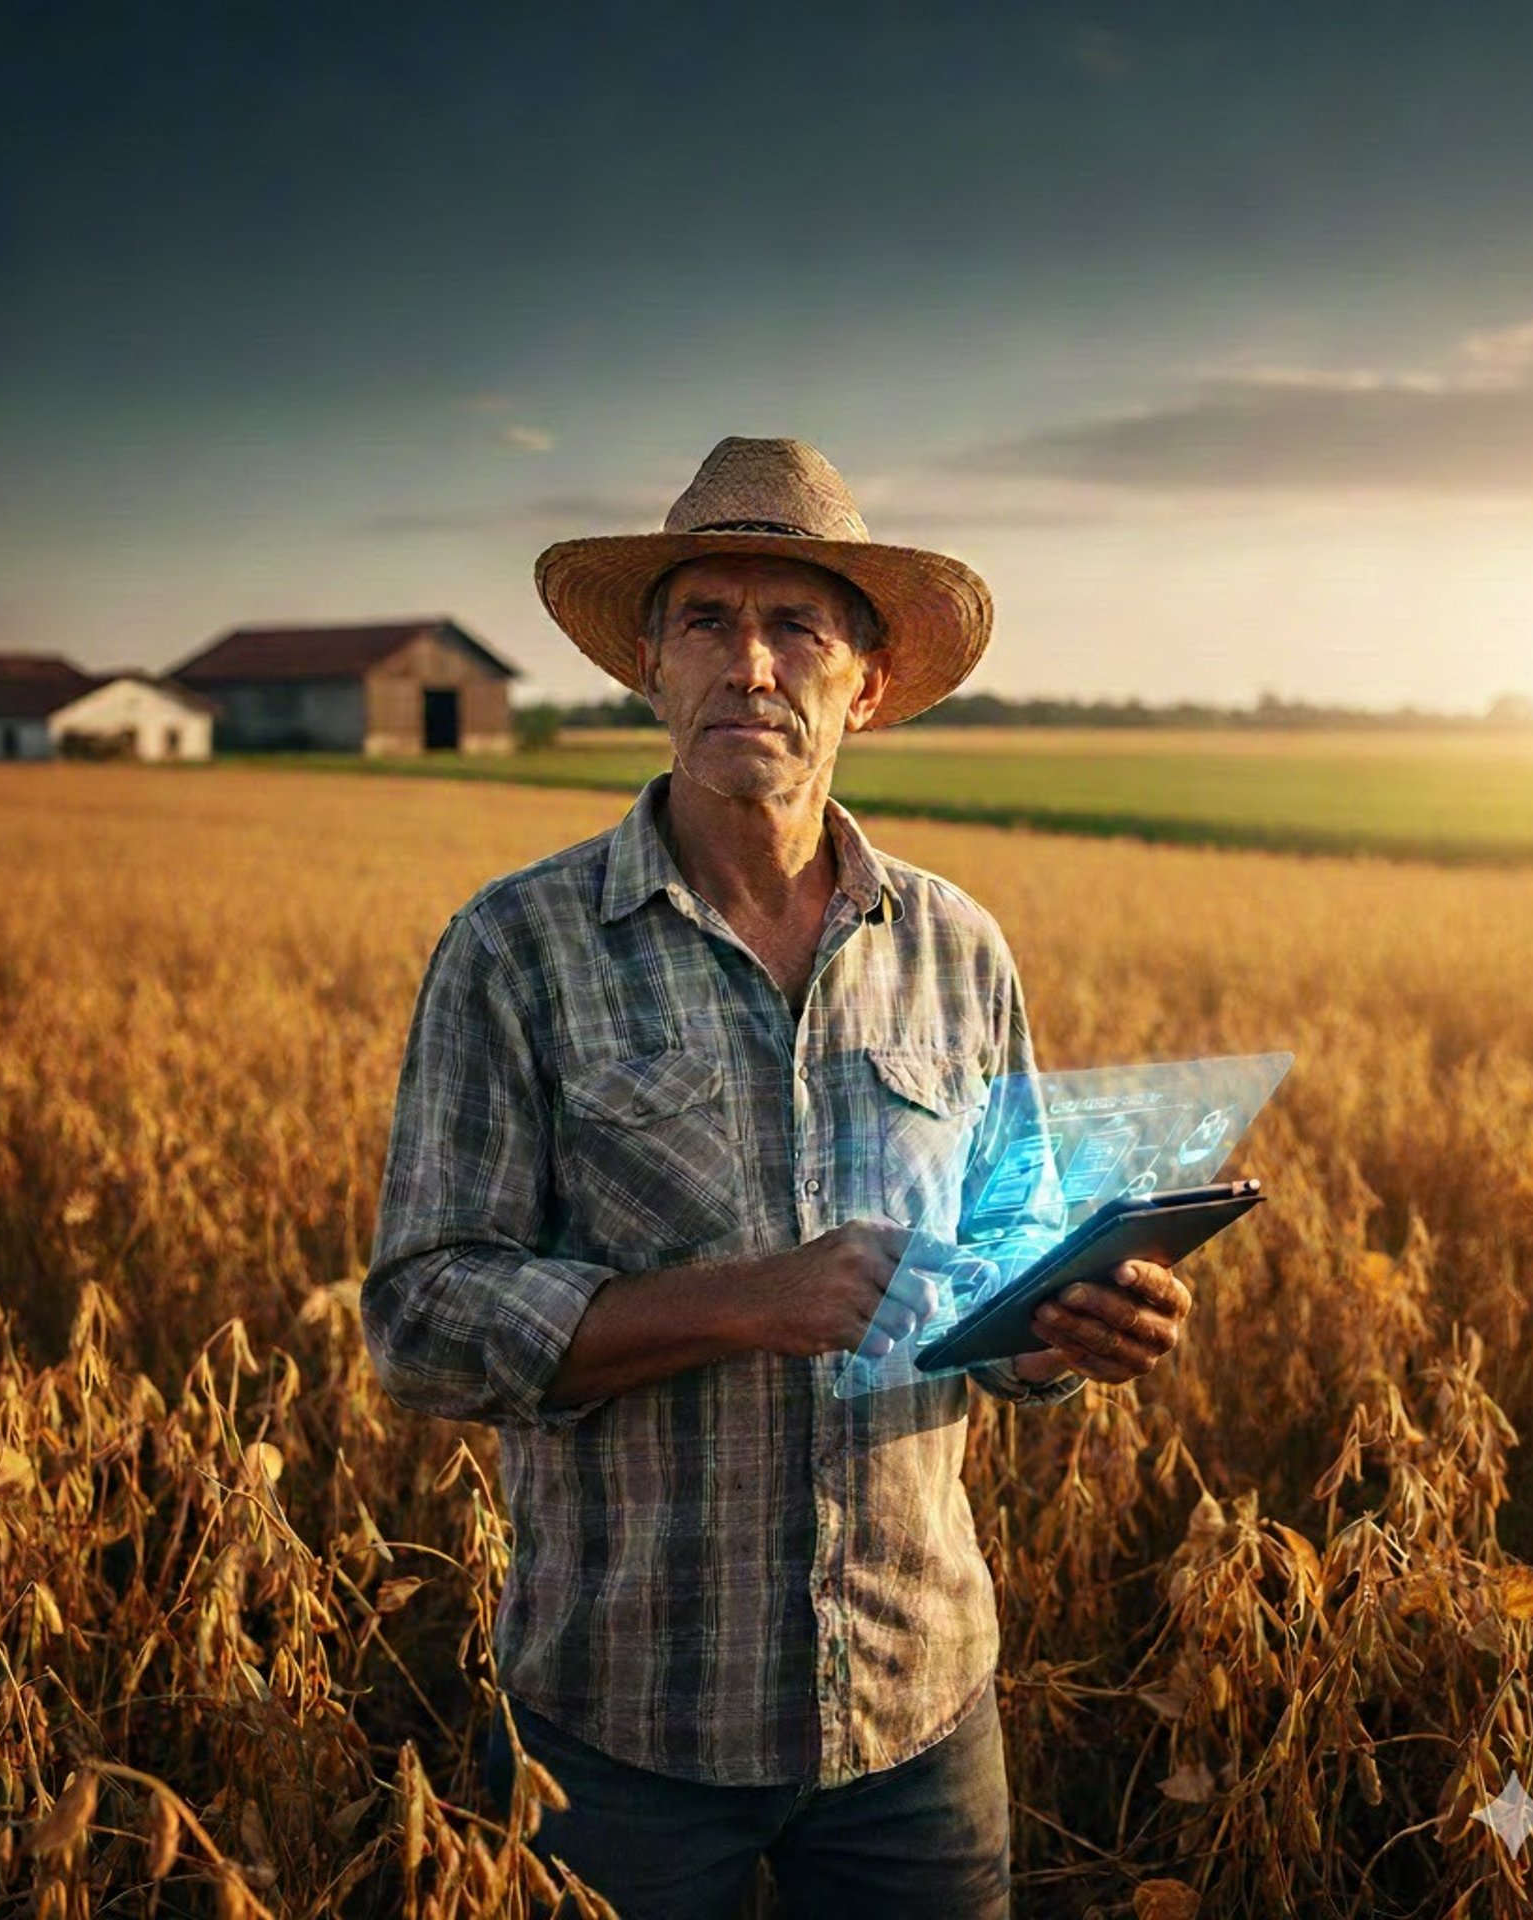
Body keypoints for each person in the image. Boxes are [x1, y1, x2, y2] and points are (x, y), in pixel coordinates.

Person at [362, 436, 1194, 1918]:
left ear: (863, 684)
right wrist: (754, 1301)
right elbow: (422, 1321)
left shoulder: (958, 949)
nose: (749, 662)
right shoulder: (519, 948)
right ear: (650, 667)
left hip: (916, 1716)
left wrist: (1079, 1331)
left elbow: (1008, 1278)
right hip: (619, 1728)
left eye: (796, 626)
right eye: (705, 621)